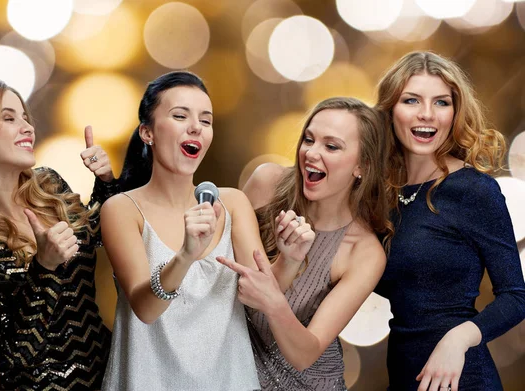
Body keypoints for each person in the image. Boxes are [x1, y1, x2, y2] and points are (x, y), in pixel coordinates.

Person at [100, 71, 314, 391]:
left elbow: (260, 298)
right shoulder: (121, 209)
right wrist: (186, 255)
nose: (196, 127)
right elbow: (145, 308)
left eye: (206, 119)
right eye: (180, 115)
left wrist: (291, 259)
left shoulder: (233, 203)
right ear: (147, 132)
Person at [0, 79, 121, 390]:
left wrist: (106, 183)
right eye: (9, 118)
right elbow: (14, 354)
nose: (27, 126)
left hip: (111, 376)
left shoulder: (49, 185)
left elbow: (96, 236)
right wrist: (43, 268)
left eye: (25, 116)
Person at [375, 51, 525, 391]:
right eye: (411, 100)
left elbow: (516, 297)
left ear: (455, 113)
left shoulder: (474, 190)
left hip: (463, 377)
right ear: (390, 111)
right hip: (402, 377)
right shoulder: (381, 195)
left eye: (441, 102)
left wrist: (458, 339)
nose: (427, 114)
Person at [217, 97, 390, 391]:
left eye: (331, 146)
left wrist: (274, 301)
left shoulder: (364, 253)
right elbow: (223, 285)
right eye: (308, 140)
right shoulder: (266, 185)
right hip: (232, 373)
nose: (311, 153)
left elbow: (305, 354)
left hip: (306, 383)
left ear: (362, 166)